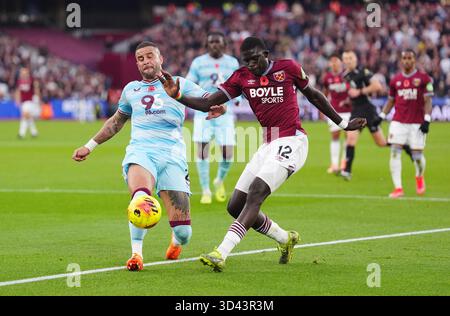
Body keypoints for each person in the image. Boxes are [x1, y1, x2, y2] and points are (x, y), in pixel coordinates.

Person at [158, 36, 366, 272]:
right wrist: (178, 96)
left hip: (292, 140)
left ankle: (221, 252)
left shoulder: (288, 68)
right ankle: (284, 238)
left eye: (255, 59)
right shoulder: (241, 77)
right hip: (268, 143)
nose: (252, 65)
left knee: (256, 192)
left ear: (265, 54)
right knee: (235, 205)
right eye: (247, 61)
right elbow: (210, 103)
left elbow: (315, 95)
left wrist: (342, 123)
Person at [72, 41, 225, 271]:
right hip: (141, 152)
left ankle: (176, 242)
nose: (145, 62)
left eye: (150, 56)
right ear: (137, 64)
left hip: (173, 157)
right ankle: (136, 254)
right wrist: (90, 145)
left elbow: (209, 98)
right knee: (140, 200)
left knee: (184, 232)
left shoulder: (180, 83)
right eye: (140, 59)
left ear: (160, 59)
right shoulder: (131, 90)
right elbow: (116, 122)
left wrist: (219, 106)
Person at [186, 32, 241, 204]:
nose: (214, 45)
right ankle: (205, 190)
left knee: (227, 152)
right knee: (202, 150)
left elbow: (238, 84)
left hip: (225, 112)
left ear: (224, 44)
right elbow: (190, 84)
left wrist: (237, 100)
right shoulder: (198, 63)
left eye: (218, 42)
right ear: (207, 44)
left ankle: (219, 180)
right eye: (211, 42)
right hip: (203, 112)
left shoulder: (232, 62)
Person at [374, 50, 433, 198]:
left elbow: (428, 101)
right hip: (398, 122)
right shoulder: (395, 80)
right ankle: (398, 188)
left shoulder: (424, 78)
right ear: (401, 61)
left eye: (410, 58)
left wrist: (427, 119)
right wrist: (381, 116)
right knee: (394, 151)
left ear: (414, 60)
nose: (407, 61)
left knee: (418, 156)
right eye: (404, 58)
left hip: (417, 123)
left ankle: (419, 176)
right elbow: (391, 100)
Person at [340, 50, 386, 181]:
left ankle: (404, 146)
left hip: (368, 110)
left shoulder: (363, 72)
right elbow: (352, 94)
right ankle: (347, 171)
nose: (348, 61)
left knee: (381, 143)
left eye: (351, 58)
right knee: (350, 138)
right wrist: (347, 101)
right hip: (356, 110)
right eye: (346, 58)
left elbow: (377, 86)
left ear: (355, 60)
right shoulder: (346, 76)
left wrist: (359, 91)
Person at [322, 53, 351, 174]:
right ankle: (334, 164)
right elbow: (324, 93)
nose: (334, 63)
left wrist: (348, 100)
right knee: (335, 136)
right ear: (329, 63)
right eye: (332, 61)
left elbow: (352, 90)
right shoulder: (327, 78)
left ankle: (344, 162)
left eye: (336, 61)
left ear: (340, 63)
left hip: (349, 111)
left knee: (348, 137)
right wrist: (322, 109)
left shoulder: (346, 76)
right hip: (333, 111)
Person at [15, 67, 41, 139]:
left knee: (25, 115)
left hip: (30, 101)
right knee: (28, 117)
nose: (23, 74)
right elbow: (18, 91)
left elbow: (36, 89)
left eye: (24, 72)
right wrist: (17, 100)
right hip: (23, 102)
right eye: (22, 73)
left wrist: (37, 98)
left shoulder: (31, 80)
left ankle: (21, 133)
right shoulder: (19, 81)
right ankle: (34, 132)